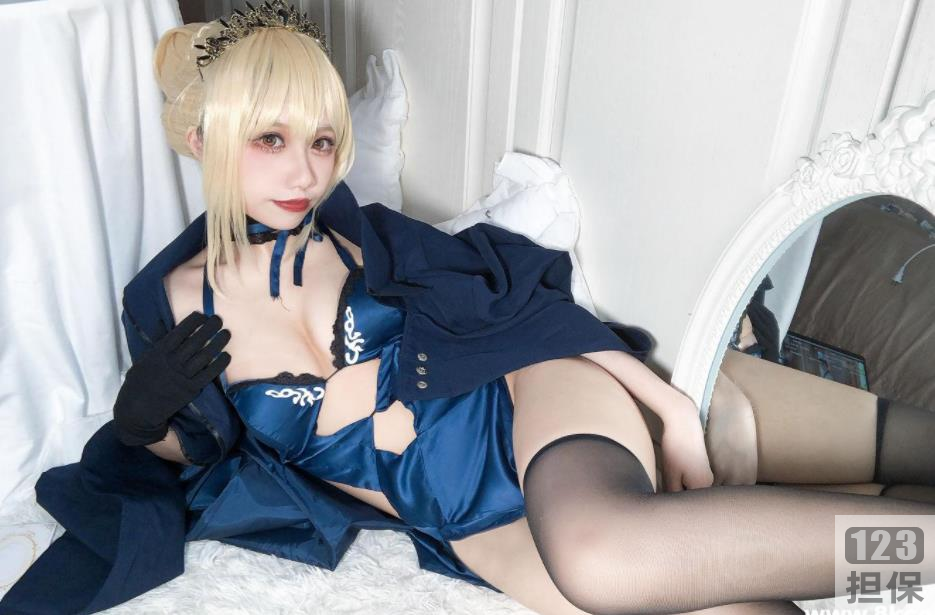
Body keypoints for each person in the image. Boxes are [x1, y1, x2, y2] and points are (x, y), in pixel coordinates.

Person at [4, 3, 935, 614]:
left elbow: (519, 298)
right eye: (270, 139)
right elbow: (194, 456)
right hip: (466, 518)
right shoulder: (167, 307)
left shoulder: (366, 239)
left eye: (322, 140)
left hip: (529, 405)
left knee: (602, 554)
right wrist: (144, 419)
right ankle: (900, 543)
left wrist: (667, 409)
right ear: (205, 139)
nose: (304, 170)